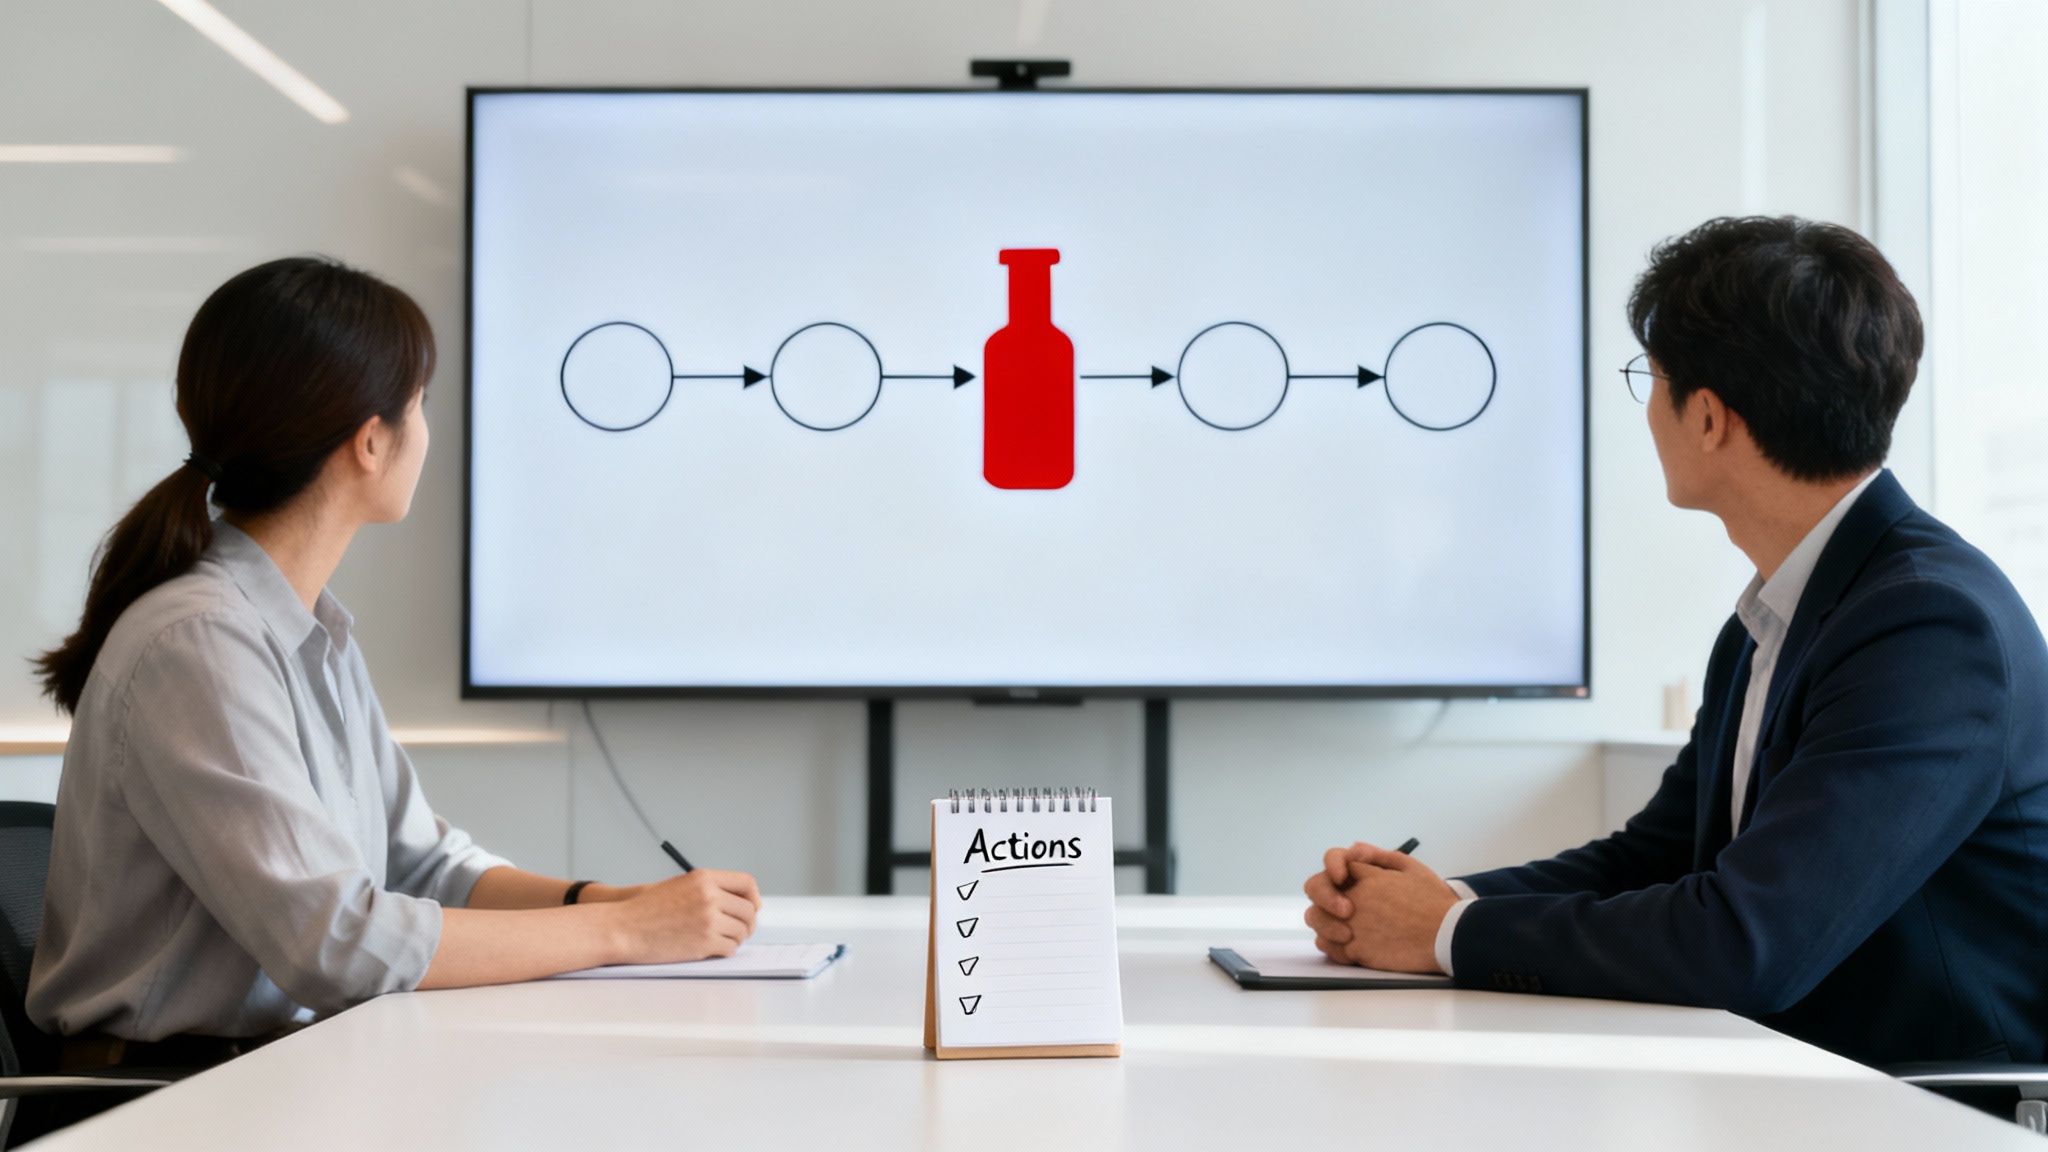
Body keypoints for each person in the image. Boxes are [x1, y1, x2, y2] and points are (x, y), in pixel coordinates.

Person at [1303, 216, 2048, 1071]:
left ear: (1707, 417)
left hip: (1931, 1108)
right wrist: (1430, 902)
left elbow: (1747, 941)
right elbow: (1654, 858)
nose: (1646, 408)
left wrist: (1446, 933)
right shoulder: (1775, 616)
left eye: (1648, 379)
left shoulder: (1928, 628)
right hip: (1798, 1082)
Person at [28, 256, 762, 1057]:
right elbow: (337, 943)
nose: (426, 431)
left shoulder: (311, 630)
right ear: (371, 442)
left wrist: (604, 900)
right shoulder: (199, 642)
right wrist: (621, 932)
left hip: (279, 1073)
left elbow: (423, 867)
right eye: (418, 405)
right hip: (171, 1099)